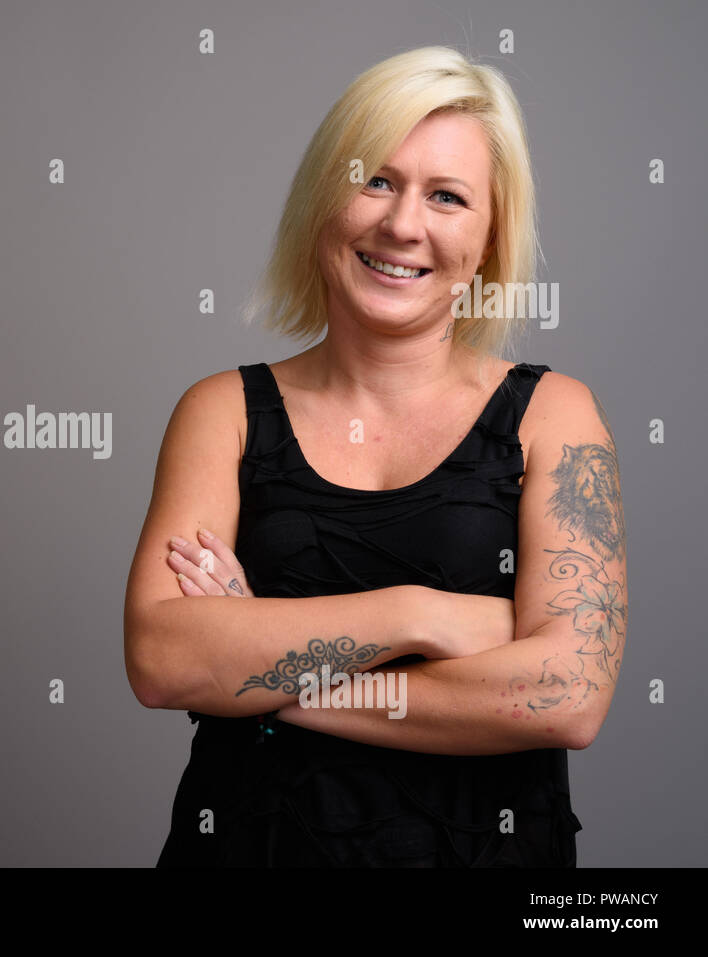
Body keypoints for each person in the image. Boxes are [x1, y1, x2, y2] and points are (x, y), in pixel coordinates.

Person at [123, 46, 628, 866]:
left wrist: (263, 682)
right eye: (377, 180)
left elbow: (566, 695)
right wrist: (420, 616)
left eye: (448, 197)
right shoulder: (221, 412)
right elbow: (163, 659)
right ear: (324, 197)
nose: (403, 225)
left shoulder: (554, 415)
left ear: (490, 238)